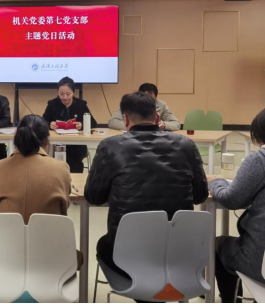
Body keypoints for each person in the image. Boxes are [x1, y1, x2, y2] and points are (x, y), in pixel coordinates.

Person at [86, 92, 208, 296]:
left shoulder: (110, 146)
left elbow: (94, 197)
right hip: (179, 255)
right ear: (157, 117)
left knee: (103, 244)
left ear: (125, 119)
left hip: (126, 255)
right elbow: (200, 196)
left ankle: (145, 294)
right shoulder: (187, 145)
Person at [208, 106, 265, 303]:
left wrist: (216, 181)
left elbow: (231, 199)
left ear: (263, 135)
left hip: (263, 263)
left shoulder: (261, 160)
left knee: (218, 244)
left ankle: (232, 300)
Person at [0, 114, 75, 283]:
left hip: (2, 261)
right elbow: (64, 206)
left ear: (16, 137)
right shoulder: (61, 169)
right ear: (47, 141)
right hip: (52, 262)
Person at [43, 77, 98, 173]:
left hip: (76, 145)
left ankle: (73, 177)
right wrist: (49, 124)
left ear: (73, 92)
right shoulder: (52, 104)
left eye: (68, 94)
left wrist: (82, 125)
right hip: (57, 143)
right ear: (57, 92)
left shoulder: (81, 104)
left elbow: (93, 123)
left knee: (73, 158)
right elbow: (42, 121)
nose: (65, 97)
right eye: (61, 94)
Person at [109, 83, 180, 132]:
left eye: (151, 100)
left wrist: (164, 125)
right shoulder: (130, 103)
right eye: (144, 99)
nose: (147, 102)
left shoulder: (161, 104)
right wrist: (134, 126)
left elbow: (176, 124)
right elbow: (113, 122)